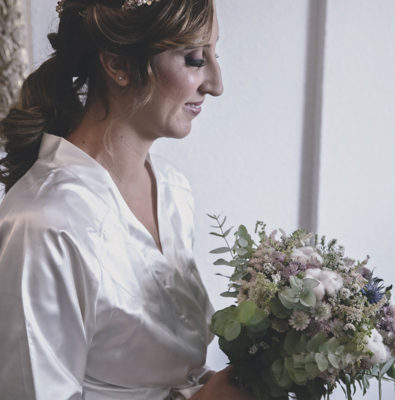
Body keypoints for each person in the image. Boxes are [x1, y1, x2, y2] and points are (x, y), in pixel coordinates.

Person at [0, 0, 256, 399]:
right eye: (194, 58)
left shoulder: (173, 191)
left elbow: (161, 376)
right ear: (118, 64)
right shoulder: (44, 226)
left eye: (214, 55)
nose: (215, 84)